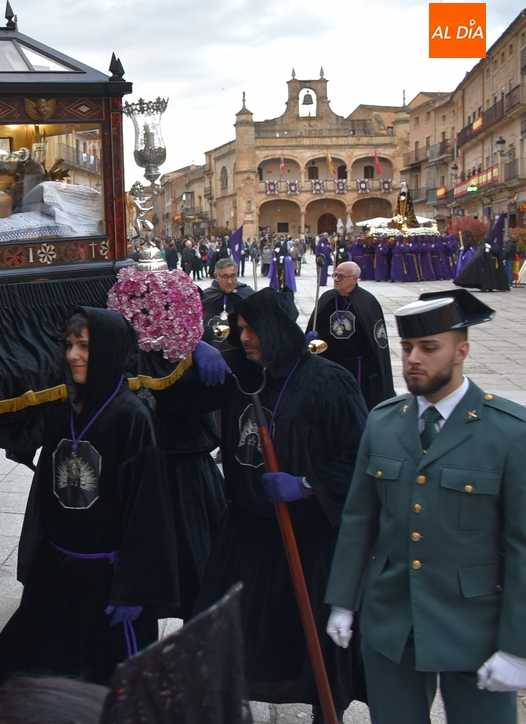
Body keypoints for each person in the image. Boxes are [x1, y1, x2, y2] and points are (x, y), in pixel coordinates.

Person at [0, 308, 179, 724]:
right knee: (13, 675)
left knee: (104, 690)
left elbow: (148, 513)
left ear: (110, 351)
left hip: (108, 583)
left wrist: (134, 590)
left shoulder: (132, 419)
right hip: (57, 571)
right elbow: (17, 435)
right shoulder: (62, 408)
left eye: (85, 347)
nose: (73, 355)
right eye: (68, 345)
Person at [325, 289, 526, 724]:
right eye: (407, 347)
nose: (414, 358)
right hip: (392, 620)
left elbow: (522, 546)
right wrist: (343, 600)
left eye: (429, 348)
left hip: (475, 626)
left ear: (462, 351)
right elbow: (360, 519)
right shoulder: (382, 421)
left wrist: (517, 647)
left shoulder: (508, 434)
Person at [174, 288, 368, 720]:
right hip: (245, 532)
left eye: (251, 329)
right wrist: (193, 350)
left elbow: (360, 454)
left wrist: (307, 484)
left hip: (305, 537)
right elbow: (181, 401)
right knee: (217, 634)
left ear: (278, 329)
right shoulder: (241, 377)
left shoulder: (328, 382)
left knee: (309, 640)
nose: (243, 338)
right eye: (239, 329)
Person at [305, 261, 395, 410]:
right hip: (328, 364)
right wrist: (310, 339)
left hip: (356, 367)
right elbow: (315, 326)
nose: (336, 279)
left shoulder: (367, 301)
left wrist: (374, 368)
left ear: (354, 278)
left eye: (341, 276)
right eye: (335, 275)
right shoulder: (327, 298)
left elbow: (376, 341)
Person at [201, 258, 255, 344]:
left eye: (233, 276)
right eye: (225, 277)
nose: (229, 281)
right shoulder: (206, 296)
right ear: (216, 275)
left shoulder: (247, 294)